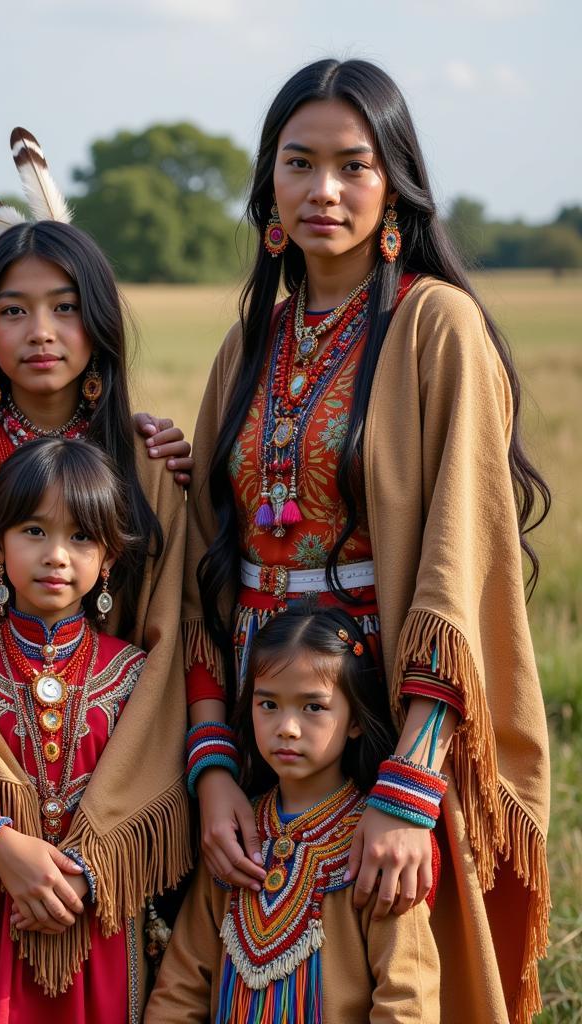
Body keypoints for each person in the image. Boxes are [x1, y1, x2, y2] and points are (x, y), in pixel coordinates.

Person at [182, 59, 549, 1023]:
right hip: (263, 714)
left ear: (394, 186)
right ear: (269, 187)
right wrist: (216, 767)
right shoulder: (250, 340)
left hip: (384, 716)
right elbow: (205, 564)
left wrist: (408, 788)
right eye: (298, 165)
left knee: (393, 980)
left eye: (354, 165)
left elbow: (456, 560)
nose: (324, 191)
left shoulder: (439, 325)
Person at [0, 157, 190, 1020]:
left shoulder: (145, 467)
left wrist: (102, 841)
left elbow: (170, 651)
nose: (40, 330)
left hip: (109, 844)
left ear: (99, 324)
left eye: (63, 308)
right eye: (13, 310)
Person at [0, 437, 169, 1022]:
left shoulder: (131, 674)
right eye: (33, 531)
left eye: (81, 537)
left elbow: (161, 791)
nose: (56, 555)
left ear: (109, 559)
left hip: (100, 923)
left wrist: (87, 876)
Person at [148, 607, 440, 1022]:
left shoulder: (376, 848)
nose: (286, 727)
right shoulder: (233, 837)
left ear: (355, 719)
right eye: (268, 703)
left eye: (313, 708)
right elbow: (181, 987)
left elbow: (407, 998)